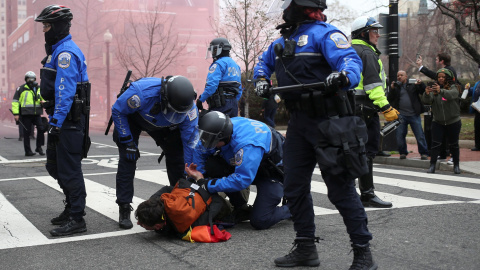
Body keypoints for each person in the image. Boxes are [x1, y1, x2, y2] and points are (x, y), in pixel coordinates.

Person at [253, 1, 377, 268]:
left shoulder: (326, 34)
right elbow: (262, 65)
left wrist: (343, 76)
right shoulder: (282, 41)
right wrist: (262, 79)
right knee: (294, 187)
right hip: (298, 123)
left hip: (329, 121)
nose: (284, 10)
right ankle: (305, 248)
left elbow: (350, 60)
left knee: (340, 189)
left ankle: (363, 253)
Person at [111, 75, 198, 230]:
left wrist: (191, 171)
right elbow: (118, 110)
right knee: (128, 158)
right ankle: (124, 206)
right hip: (133, 118)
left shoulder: (189, 110)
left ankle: (178, 197)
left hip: (164, 125)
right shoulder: (141, 93)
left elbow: (190, 144)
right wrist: (127, 140)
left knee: (177, 156)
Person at [35, 5, 90, 236]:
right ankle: (71, 207)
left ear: (57, 27)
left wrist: (56, 122)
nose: (44, 30)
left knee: (69, 170)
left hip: (68, 120)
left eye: (46, 25)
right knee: (54, 166)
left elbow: (65, 91)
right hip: (61, 119)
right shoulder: (57, 51)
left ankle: (77, 218)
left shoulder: (66, 53)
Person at [185, 111, 291, 230]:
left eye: (211, 140)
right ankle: (241, 208)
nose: (206, 142)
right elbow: (200, 150)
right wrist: (197, 177)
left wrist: (208, 185)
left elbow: (242, 179)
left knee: (260, 220)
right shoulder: (222, 127)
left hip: (272, 173)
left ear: (223, 137)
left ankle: (294, 207)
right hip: (250, 166)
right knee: (212, 165)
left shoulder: (247, 145)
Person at [351, 16, 397, 208]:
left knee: (353, 151)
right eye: (374, 31)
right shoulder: (367, 53)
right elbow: (373, 85)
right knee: (366, 152)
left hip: (352, 109)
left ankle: (352, 193)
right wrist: (386, 108)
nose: (378, 35)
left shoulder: (350, 49)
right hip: (366, 111)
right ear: (363, 33)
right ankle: (367, 194)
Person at [135, 179, 232, 239]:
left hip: (214, 199)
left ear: (157, 226)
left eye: (142, 223)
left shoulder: (188, 223)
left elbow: (217, 202)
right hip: (197, 189)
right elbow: (167, 189)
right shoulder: (160, 203)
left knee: (231, 206)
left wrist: (203, 187)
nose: (138, 223)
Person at [421, 68, 462, 174]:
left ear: (447, 78)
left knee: (454, 144)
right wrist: (426, 93)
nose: (441, 79)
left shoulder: (455, 87)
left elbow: (452, 95)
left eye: (443, 77)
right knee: (435, 144)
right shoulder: (434, 88)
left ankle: (456, 166)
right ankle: (432, 166)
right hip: (438, 121)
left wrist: (441, 91)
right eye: (439, 77)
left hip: (453, 121)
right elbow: (427, 101)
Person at [387, 70, 429, 160]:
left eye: (401, 75)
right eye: (398, 75)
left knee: (419, 135)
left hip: (414, 114)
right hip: (401, 115)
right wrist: (392, 89)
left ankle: (424, 153)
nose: (399, 77)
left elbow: (422, 91)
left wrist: (420, 84)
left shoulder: (412, 85)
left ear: (406, 76)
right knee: (400, 135)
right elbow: (389, 99)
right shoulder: (397, 87)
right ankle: (403, 152)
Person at [197, 37, 243, 117]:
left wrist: (201, 99)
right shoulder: (236, 66)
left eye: (214, 50)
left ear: (220, 49)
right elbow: (239, 90)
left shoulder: (218, 64)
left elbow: (211, 86)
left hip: (220, 104)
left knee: (215, 127)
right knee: (231, 127)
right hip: (233, 104)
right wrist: (233, 101)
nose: (212, 53)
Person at [11, 71, 45, 156]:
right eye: (29, 78)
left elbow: (43, 97)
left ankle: (39, 147)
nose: (31, 80)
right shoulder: (21, 89)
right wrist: (16, 114)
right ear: (26, 79)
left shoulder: (38, 88)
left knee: (41, 129)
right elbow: (15, 102)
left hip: (37, 113)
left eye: (33, 78)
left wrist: (43, 101)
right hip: (26, 114)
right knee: (27, 132)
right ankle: (28, 151)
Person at [470, 79, 480, 151]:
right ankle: (478, 145)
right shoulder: (477, 83)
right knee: (477, 126)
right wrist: (468, 89)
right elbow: (473, 91)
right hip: (478, 109)